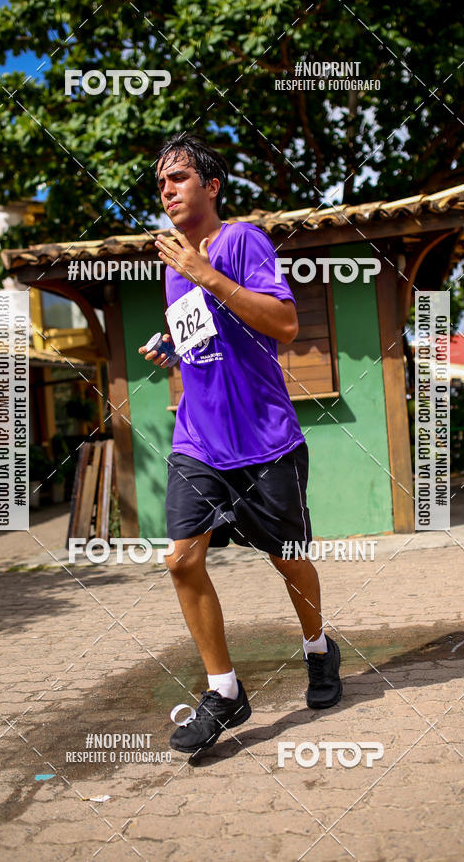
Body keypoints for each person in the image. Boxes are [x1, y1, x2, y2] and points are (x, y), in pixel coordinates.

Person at [139, 134, 342, 754]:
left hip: (264, 443)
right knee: (181, 558)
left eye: (177, 178)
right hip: (199, 441)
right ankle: (224, 691)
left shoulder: (241, 241)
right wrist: (171, 341)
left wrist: (205, 273)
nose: (167, 190)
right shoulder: (176, 268)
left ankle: (317, 646)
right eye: (161, 184)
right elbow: (203, 331)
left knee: (287, 559)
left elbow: (281, 323)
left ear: (211, 186)